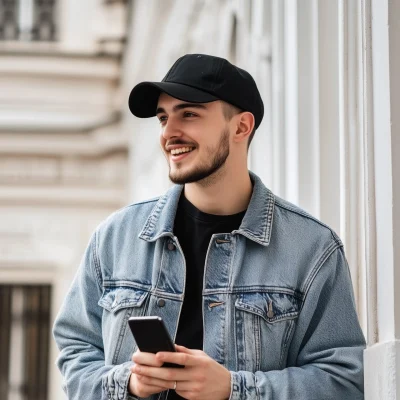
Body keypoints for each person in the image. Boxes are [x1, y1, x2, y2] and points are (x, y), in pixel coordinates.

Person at [53, 53, 365, 400]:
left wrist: (234, 389)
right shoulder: (114, 239)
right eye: (162, 118)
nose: (169, 133)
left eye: (188, 114)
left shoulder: (311, 248)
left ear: (241, 127)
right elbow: (75, 354)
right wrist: (130, 382)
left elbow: (343, 381)